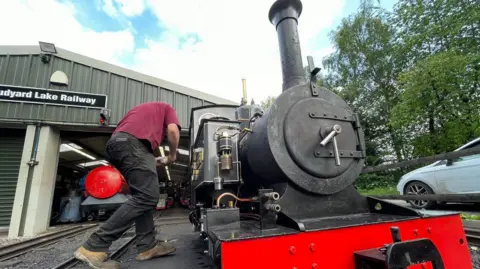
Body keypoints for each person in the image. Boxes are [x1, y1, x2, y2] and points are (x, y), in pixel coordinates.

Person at [73, 101, 181, 269]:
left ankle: (147, 246)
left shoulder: (138, 113)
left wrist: (152, 161)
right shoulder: (167, 108)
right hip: (132, 145)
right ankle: (93, 246)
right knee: (147, 196)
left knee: (142, 195)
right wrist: (172, 155)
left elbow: (130, 146)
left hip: (118, 145)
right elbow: (173, 131)